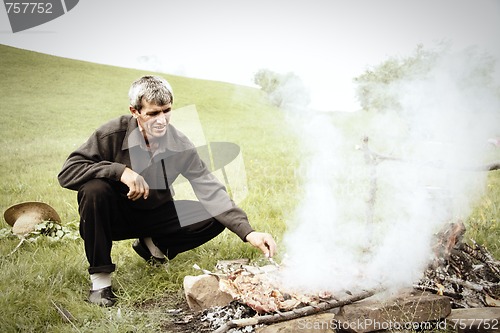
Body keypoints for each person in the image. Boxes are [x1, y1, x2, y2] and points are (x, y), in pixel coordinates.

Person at [58, 75, 277, 306]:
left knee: (214, 214)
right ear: (135, 111)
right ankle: (101, 282)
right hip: (113, 218)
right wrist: (120, 171)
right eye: (153, 113)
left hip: (156, 214)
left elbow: (211, 190)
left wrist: (249, 232)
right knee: (94, 189)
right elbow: (68, 172)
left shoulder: (181, 144)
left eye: (167, 111)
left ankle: (153, 245)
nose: (161, 120)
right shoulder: (111, 134)